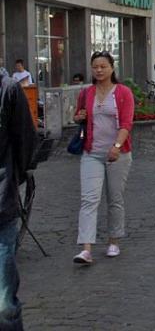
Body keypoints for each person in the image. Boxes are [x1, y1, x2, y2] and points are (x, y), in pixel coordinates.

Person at [72, 51, 135, 264]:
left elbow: (126, 123)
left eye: (103, 66)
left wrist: (117, 146)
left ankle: (113, 241)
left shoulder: (123, 92)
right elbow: (78, 116)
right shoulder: (87, 92)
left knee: (114, 198)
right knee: (88, 199)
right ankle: (86, 249)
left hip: (118, 154)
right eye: (95, 67)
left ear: (112, 68)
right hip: (92, 152)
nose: (99, 70)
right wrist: (79, 116)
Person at [0, 65, 37, 327]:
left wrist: (14, 177)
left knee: (4, 303)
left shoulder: (8, 89)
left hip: (1, 203)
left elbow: (25, 139)